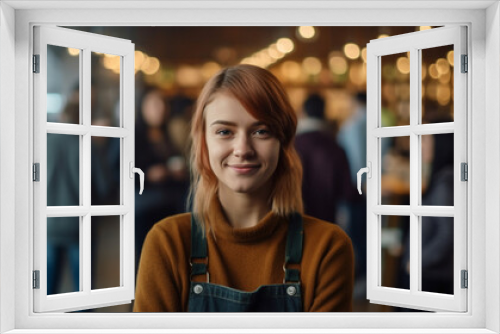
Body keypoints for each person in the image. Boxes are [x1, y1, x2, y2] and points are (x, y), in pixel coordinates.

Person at [134, 65, 354, 312]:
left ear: (283, 142)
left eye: (261, 131)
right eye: (224, 132)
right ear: (204, 143)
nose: (242, 149)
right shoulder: (167, 244)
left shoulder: (327, 248)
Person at [295, 93, 355, 225]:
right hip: (326, 223)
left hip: (294, 221)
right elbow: (347, 191)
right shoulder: (335, 147)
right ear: (324, 113)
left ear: (303, 112)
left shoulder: (291, 146)